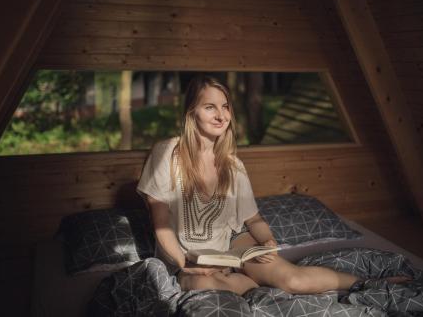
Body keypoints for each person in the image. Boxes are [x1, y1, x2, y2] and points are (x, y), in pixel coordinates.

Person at [137, 75, 408, 296]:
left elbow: (253, 218)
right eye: (210, 107)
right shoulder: (167, 153)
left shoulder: (233, 165)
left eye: (225, 106)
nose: (221, 115)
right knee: (203, 285)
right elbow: (161, 222)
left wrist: (267, 239)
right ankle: (248, 286)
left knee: (293, 280)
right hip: (184, 257)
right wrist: (186, 264)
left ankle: (365, 283)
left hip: (233, 245)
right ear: (191, 111)